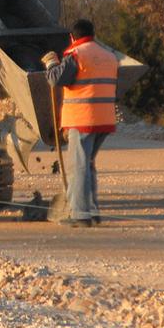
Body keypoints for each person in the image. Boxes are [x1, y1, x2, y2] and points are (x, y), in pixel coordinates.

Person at [43, 18, 119, 228]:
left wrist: (51, 62)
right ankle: (92, 210)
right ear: (93, 34)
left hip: (82, 118)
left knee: (78, 166)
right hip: (104, 118)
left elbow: (56, 79)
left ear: (72, 37)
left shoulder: (76, 55)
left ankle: (79, 214)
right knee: (88, 164)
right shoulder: (108, 56)